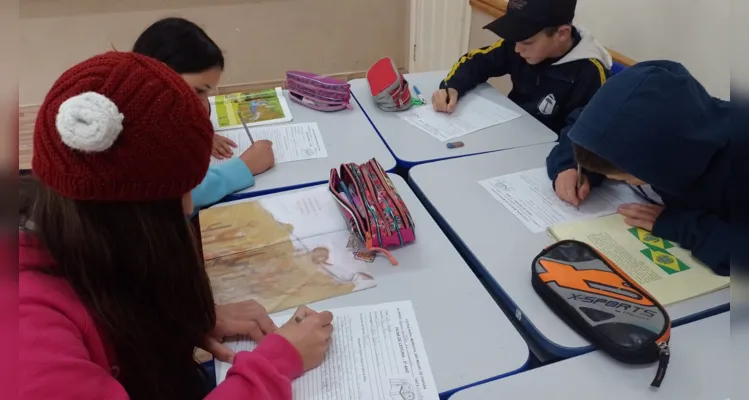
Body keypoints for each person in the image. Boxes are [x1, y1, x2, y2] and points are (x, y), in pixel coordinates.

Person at [20, 51, 333, 399]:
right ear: (133, 216)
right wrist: (276, 364)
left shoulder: (73, 238)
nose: (188, 204)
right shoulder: (24, 335)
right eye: (181, 192)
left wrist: (170, 324)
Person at [553, 60, 731, 275]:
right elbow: (584, 124)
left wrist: (682, 226)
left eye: (627, 176)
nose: (621, 182)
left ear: (663, 158)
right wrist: (571, 166)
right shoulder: (661, 116)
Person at [133, 17, 274, 212]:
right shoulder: (133, 137)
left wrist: (199, 134)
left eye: (207, 93)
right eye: (199, 91)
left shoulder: (164, 113)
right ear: (155, 80)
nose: (203, 105)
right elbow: (176, 200)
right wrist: (244, 167)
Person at [433, 0, 612, 136]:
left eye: (527, 42)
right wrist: (453, 86)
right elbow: (478, 61)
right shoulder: (520, 44)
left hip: (546, 153)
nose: (517, 49)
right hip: (512, 131)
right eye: (515, 40)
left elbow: (585, 136)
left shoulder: (590, 73)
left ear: (562, 34)